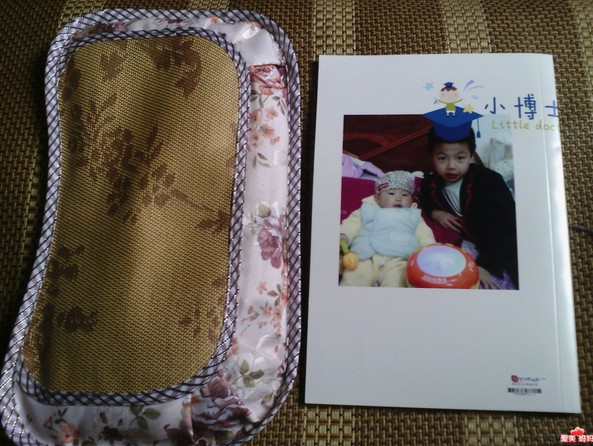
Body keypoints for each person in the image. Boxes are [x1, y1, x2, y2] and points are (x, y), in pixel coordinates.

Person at [420, 127, 519, 289]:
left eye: (460, 158)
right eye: (442, 158)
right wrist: (435, 213)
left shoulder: (490, 181)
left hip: (500, 245)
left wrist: (486, 265)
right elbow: (425, 199)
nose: (451, 166)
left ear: (471, 155)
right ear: (432, 156)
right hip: (468, 241)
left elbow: (508, 227)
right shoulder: (430, 183)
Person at [340, 170, 436, 287]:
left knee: (398, 280)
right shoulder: (366, 210)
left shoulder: (414, 216)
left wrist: (430, 250)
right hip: (365, 255)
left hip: (399, 258)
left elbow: (424, 234)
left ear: (412, 199)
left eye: (405, 195)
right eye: (391, 193)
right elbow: (352, 224)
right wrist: (344, 234)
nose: (398, 198)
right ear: (377, 197)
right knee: (355, 275)